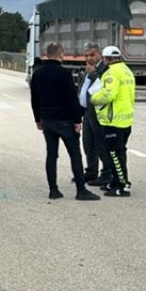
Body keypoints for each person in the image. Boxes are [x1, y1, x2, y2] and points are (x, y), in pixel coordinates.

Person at [30, 43, 100, 200]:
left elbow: (34, 99)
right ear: (61, 55)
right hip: (65, 120)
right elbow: (71, 98)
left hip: (47, 119)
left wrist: (38, 119)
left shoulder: (37, 74)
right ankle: (81, 190)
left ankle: (53, 190)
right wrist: (77, 120)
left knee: (51, 154)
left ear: (47, 55)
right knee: (75, 155)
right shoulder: (64, 73)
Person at [89, 45, 136, 197]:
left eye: (103, 59)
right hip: (125, 119)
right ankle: (116, 182)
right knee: (120, 153)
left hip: (113, 120)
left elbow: (108, 94)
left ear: (107, 59)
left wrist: (93, 98)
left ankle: (122, 186)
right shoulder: (126, 70)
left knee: (115, 155)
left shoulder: (111, 73)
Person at [77, 43, 109, 186]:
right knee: (88, 144)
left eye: (92, 55)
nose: (89, 58)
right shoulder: (87, 69)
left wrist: (91, 73)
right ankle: (91, 172)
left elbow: (103, 89)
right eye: (86, 55)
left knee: (100, 145)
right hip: (87, 113)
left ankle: (107, 174)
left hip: (98, 113)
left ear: (99, 55)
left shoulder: (104, 70)